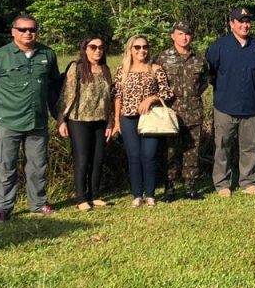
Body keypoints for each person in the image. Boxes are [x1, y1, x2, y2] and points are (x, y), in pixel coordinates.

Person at [0, 15, 61, 222]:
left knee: (38, 166)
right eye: (22, 29)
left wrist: (58, 115)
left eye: (32, 29)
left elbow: (52, 86)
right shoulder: (0, 55)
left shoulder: (47, 54)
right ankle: (2, 208)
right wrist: (3, 101)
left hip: (37, 120)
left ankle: (38, 204)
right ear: (13, 32)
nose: (28, 33)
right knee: (6, 166)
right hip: (9, 120)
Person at [205, 7, 255, 197]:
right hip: (225, 107)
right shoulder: (219, 46)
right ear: (231, 24)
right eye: (240, 21)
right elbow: (210, 74)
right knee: (222, 146)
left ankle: (248, 182)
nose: (245, 25)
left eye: (247, 21)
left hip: (251, 107)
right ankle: (222, 184)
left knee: (250, 147)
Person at [56, 35, 115, 211]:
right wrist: (62, 120)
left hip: (101, 120)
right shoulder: (77, 68)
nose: (98, 50)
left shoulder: (105, 69)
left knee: (98, 160)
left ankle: (94, 195)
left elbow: (109, 99)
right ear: (85, 49)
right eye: (93, 47)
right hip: (79, 120)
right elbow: (66, 94)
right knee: (82, 160)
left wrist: (110, 121)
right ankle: (81, 198)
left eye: (101, 47)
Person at [114, 34, 173, 207]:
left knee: (149, 155)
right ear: (130, 50)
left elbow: (167, 92)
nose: (142, 50)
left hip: (150, 118)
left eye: (145, 47)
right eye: (137, 47)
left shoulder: (155, 69)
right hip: (128, 118)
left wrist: (151, 98)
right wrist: (116, 121)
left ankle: (150, 194)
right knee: (134, 156)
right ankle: (137, 195)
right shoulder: (122, 71)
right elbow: (117, 96)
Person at [154, 22, 210, 201]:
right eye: (180, 34)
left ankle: (190, 187)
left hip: (194, 111)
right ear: (173, 36)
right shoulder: (162, 58)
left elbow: (204, 82)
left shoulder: (199, 59)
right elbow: (155, 82)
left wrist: (192, 96)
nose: (184, 37)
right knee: (170, 151)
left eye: (187, 34)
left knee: (192, 151)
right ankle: (169, 188)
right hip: (171, 112)